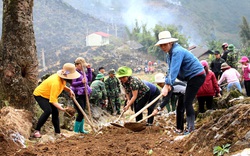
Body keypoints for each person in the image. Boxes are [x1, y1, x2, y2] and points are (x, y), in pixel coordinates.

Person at [152, 31, 205, 134]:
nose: (163, 47)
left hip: (196, 76)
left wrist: (167, 85)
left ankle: (190, 129)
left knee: (187, 102)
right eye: (161, 45)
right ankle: (188, 128)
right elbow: (170, 70)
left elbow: (174, 70)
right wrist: (167, 84)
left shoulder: (177, 52)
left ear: (170, 43)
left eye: (165, 44)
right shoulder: (169, 54)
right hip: (189, 77)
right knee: (186, 102)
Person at [33, 63, 80, 138]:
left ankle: (57, 133)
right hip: (40, 95)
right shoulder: (56, 83)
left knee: (55, 112)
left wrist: (69, 90)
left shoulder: (62, 78)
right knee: (48, 111)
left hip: (48, 95)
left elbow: (63, 86)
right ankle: (36, 131)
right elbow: (53, 100)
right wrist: (62, 108)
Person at [70, 57, 92, 134]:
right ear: (78, 65)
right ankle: (75, 131)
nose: (83, 66)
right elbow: (72, 83)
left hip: (84, 93)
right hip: (77, 94)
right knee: (80, 112)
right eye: (82, 65)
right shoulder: (74, 72)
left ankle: (81, 129)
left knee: (83, 112)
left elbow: (89, 79)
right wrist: (81, 82)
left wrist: (89, 69)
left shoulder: (82, 72)